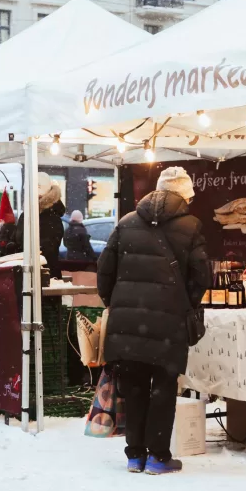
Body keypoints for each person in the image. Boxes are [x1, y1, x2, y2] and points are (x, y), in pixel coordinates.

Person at [97, 167, 211, 475]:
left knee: (133, 388)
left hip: (126, 322)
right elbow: (202, 277)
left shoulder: (125, 223)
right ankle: (159, 457)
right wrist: (182, 304)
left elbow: (104, 271)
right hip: (168, 324)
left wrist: (118, 305)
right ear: (185, 195)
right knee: (162, 388)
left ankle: (134, 455)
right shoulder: (191, 226)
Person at [13, 172, 66, 278]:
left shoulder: (52, 217)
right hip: (25, 273)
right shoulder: (26, 215)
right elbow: (18, 240)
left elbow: (48, 249)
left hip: (46, 274)